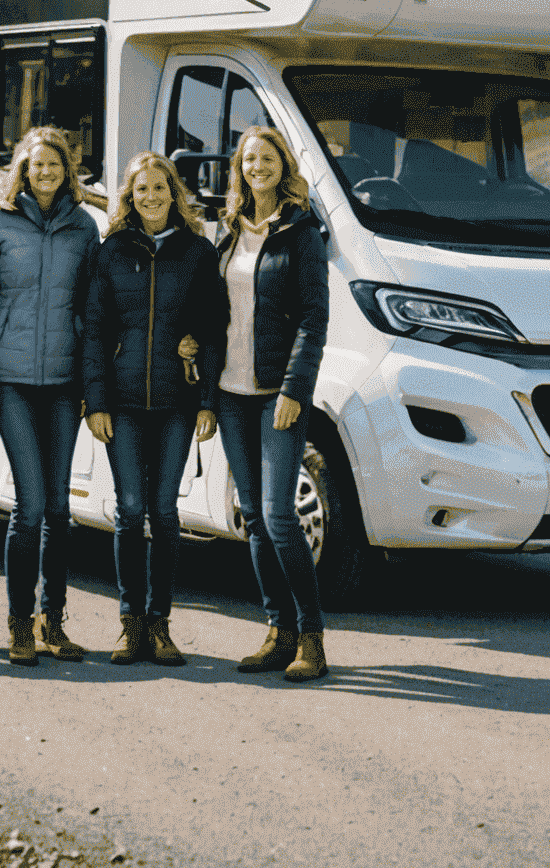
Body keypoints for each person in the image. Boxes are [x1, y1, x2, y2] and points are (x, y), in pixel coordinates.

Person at [0, 126, 100, 666]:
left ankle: (53, 623)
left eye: (55, 165)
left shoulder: (85, 229)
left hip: (65, 384)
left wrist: (93, 385)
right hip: (12, 382)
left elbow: (93, 312)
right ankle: (19, 622)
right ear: (21, 170)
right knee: (32, 504)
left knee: (61, 509)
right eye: (35, 165)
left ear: (68, 170)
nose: (45, 173)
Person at [82, 152, 224, 666]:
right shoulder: (112, 251)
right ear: (129, 197)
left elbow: (212, 332)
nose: (151, 197)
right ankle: (129, 624)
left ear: (173, 193)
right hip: (119, 402)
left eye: (159, 188)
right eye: (140, 190)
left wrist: (207, 399)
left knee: (164, 513)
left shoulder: (198, 253)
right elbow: (94, 332)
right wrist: (95, 402)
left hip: (176, 404)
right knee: (129, 512)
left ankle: (160, 624)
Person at [213, 125, 330, 682]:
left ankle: (312, 637)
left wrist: (293, 391)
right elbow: (216, 310)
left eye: (267, 158)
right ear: (239, 168)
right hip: (231, 393)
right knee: (253, 517)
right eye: (249, 159)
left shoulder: (302, 232)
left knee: (281, 515)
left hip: (277, 394)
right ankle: (277, 631)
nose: (258, 166)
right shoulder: (229, 228)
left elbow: (314, 321)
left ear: (283, 166)